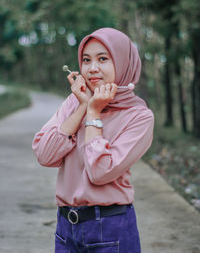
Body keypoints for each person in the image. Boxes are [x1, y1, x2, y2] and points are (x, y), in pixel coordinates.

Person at [32, 27, 154, 252]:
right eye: (86, 60)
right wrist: (83, 107)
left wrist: (94, 114)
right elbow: (44, 154)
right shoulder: (75, 101)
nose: (92, 68)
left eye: (103, 59)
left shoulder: (138, 116)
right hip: (66, 228)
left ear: (123, 63)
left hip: (111, 229)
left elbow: (100, 172)